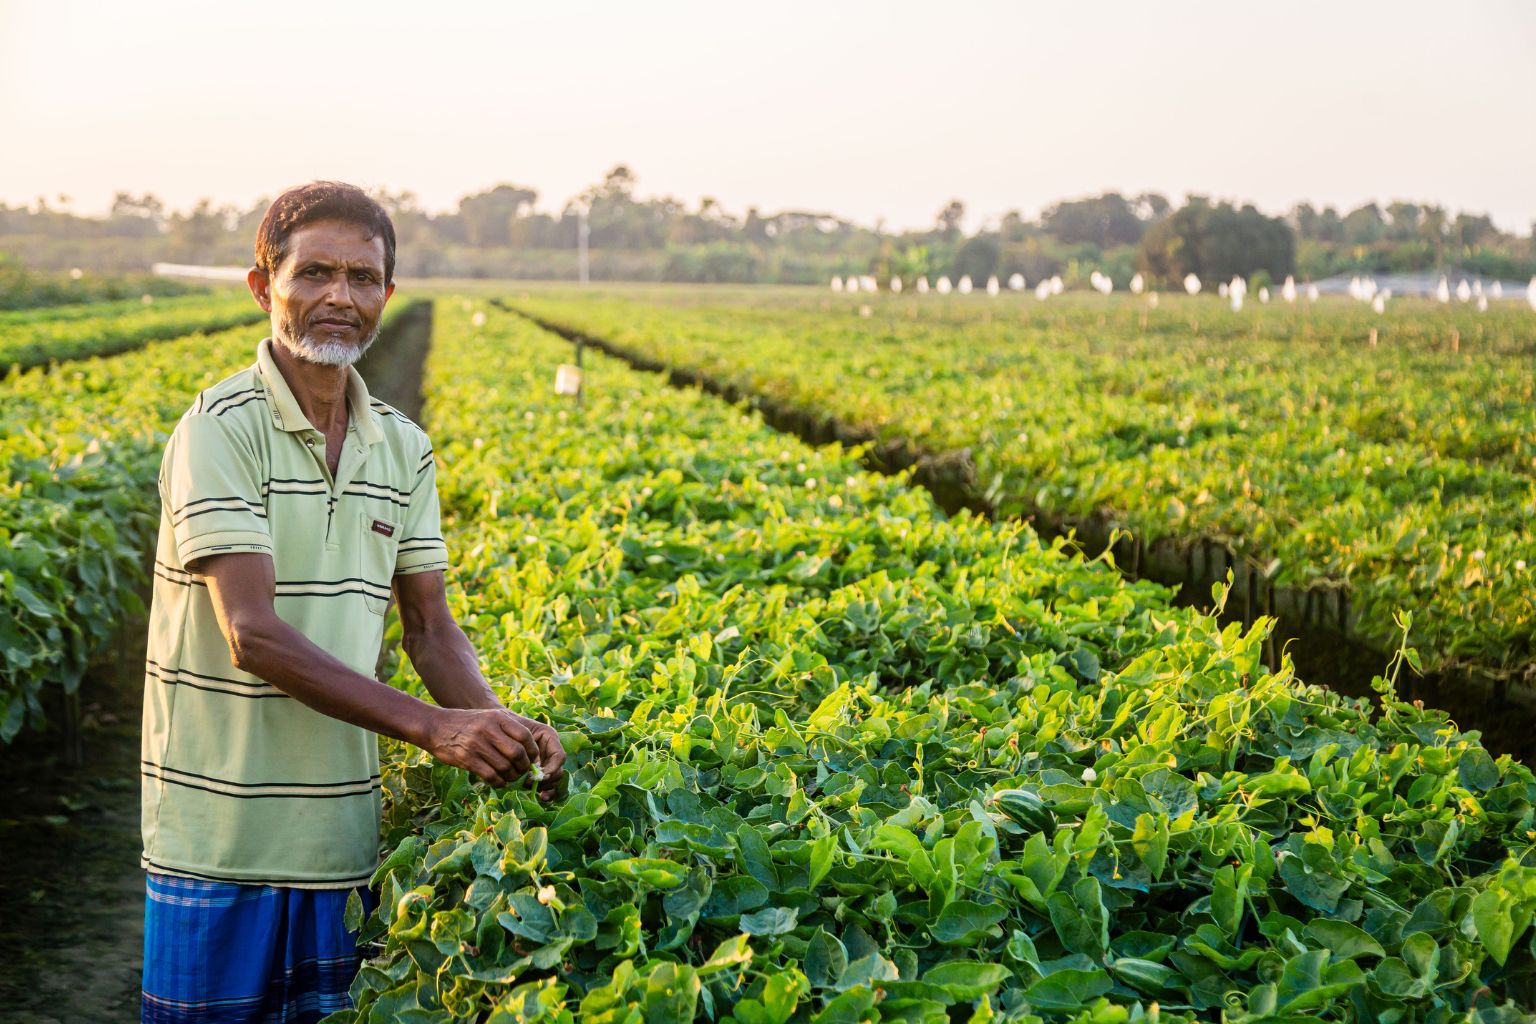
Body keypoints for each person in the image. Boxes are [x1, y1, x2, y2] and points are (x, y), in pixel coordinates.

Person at [139, 180, 566, 1023]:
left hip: (342, 845)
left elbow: (430, 628)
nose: (340, 297)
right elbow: (251, 634)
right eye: (314, 274)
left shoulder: (403, 446)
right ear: (264, 286)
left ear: (387, 296)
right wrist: (436, 728)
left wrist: (499, 726)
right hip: (219, 842)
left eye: (363, 278)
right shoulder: (218, 428)